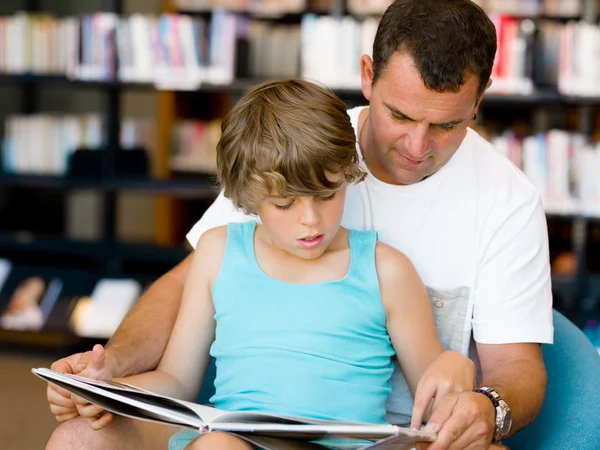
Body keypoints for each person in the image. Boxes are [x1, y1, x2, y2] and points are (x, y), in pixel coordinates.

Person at [46, 1, 553, 449]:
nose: (417, 147)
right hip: (235, 430)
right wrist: (109, 374)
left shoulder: (502, 203)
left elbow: (512, 368)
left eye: (446, 125)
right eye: (399, 115)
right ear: (367, 76)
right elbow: (184, 292)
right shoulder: (304, 148)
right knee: (90, 439)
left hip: (385, 434)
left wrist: (481, 404)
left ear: (480, 99)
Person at [54, 79, 476, 450]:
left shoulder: (386, 270)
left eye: (327, 195)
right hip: (235, 442)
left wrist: (456, 368)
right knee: (211, 447)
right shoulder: (218, 253)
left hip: (347, 448)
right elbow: (176, 381)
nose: (310, 219)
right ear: (250, 197)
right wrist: (105, 391)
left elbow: (434, 394)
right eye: (284, 203)